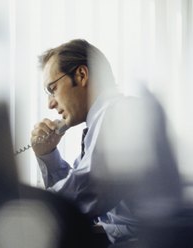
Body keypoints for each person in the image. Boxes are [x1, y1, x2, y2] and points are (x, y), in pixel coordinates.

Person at [30, 39, 182, 247]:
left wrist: (27, 204)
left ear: (81, 75)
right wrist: (48, 155)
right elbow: (79, 191)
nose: (50, 103)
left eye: (53, 88)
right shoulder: (100, 124)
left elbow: (85, 193)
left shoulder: (118, 114)